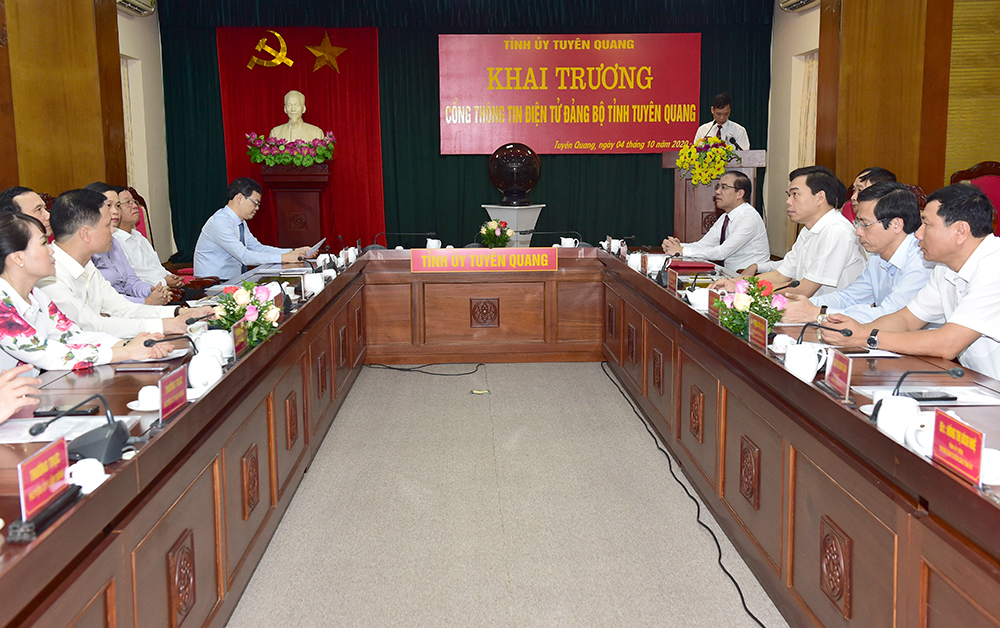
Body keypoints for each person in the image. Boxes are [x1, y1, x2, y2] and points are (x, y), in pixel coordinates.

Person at [822, 184, 1000, 380]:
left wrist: (866, 337)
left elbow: (948, 343)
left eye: (927, 225)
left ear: (960, 231)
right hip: (978, 381)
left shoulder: (995, 265)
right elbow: (906, 320)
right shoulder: (944, 267)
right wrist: (857, 331)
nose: (918, 234)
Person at [0, 212, 173, 372]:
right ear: (18, 257)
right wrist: (126, 352)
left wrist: (128, 345)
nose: (51, 250)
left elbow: (73, 336)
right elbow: (47, 354)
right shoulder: (2, 304)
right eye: (43, 243)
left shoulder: (37, 296)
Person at [37, 188, 212, 336]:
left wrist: (181, 312)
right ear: (85, 233)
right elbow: (91, 325)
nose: (113, 231)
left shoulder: (87, 266)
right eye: (107, 225)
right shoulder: (49, 274)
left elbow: (124, 308)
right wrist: (168, 325)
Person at [781, 181, 933, 324]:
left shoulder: (922, 260)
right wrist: (804, 305)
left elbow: (891, 315)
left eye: (865, 224)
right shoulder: (877, 256)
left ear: (896, 224)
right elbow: (849, 298)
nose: (858, 232)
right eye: (857, 223)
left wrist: (820, 313)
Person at [712, 167, 866, 297]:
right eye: (788, 195)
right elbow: (780, 275)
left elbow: (804, 290)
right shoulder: (807, 230)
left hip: (835, 315)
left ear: (820, 197)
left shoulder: (836, 230)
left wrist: (745, 288)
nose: (788, 201)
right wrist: (739, 281)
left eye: (795, 194)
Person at [193, 178, 309, 280]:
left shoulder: (240, 222)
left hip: (231, 281)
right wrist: (284, 258)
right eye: (255, 203)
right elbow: (245, 256)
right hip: (212, 284)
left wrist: (294, 251)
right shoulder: (220, 222)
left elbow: (258, 248)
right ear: (239, 198)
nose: (257, 208)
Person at [660, 170, 769, 272]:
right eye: (718, 187)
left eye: (724, 187)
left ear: (740, 193)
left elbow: (722, 252)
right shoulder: (725, 217)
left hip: (751, 278)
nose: (717, 191)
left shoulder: (749, 218)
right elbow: (703, 245)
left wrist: (681, 250)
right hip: (731, 275)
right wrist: (676, 246)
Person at [86, 182, 170, 305]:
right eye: (109, 205)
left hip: (130, 305)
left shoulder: (114, 242)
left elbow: (131, 281)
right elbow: (104, 300)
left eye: (118, 206)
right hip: (116, 309)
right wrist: (146, 301)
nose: (115, 211)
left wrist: (152, 290)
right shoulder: (86, 248)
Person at [114, 187, 185, 289]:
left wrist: (170, 277)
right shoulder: (115, 242)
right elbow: (131, 281)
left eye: (134, 202)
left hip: (166, 288)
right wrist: (164, 282)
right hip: (150, 292)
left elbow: (156, 268)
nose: (135, 206)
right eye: (128, 202)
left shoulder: (139, 236)